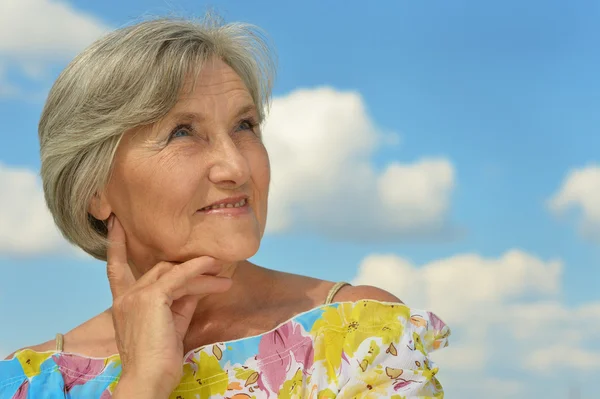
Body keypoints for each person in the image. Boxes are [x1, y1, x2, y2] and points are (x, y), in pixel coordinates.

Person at [0, 15, 450, 398]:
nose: (235, 166)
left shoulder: (359, 337)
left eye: (244, 125)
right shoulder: (29, 383)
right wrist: (142, 384)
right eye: (182, 132)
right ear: (94, 189)